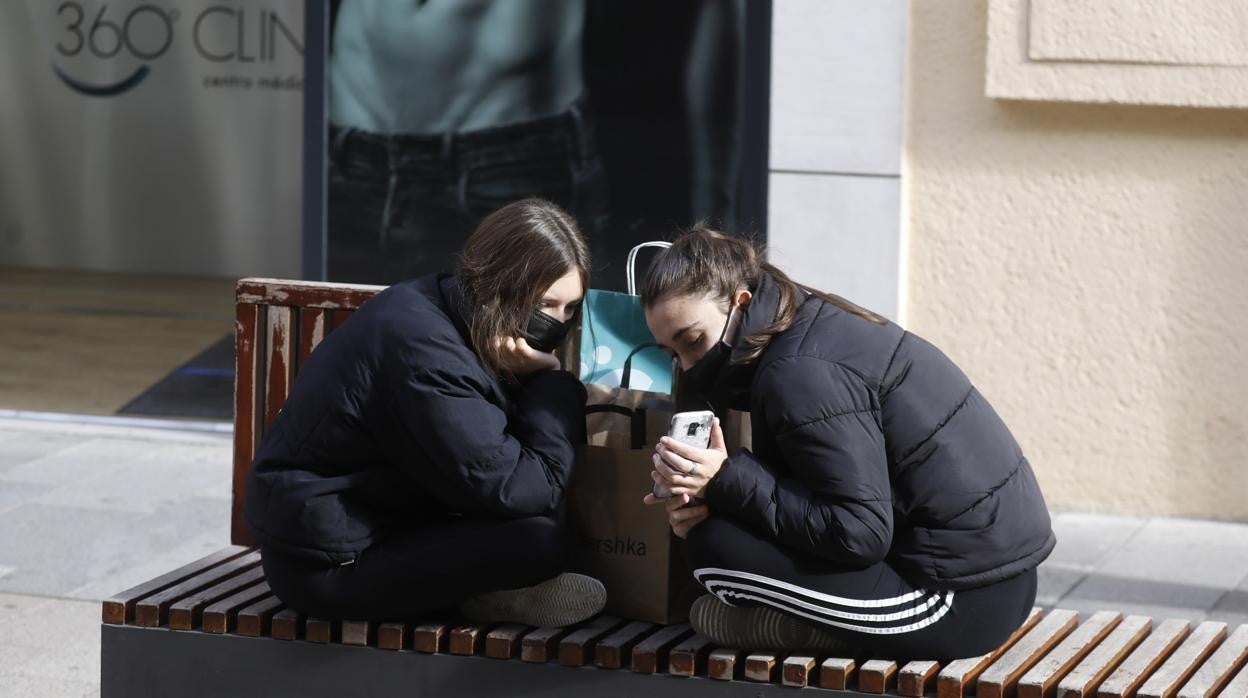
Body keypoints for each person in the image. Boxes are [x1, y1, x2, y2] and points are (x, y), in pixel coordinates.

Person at [640, 227, 1055, 661]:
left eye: (692, 341)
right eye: (672, 354)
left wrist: (726, 479)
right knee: (721, 530)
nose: (688, 366)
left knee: (714, 550)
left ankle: (811, 633)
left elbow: (859, 534)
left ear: (741, 302)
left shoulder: (798, 372)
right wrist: (720, 492)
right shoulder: (803, 320)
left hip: (960, 600)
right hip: (991, 574)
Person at [244, 199, 606, 626]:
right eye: (545, 304)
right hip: (330, 565)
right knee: (540, 542)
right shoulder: (428, 355)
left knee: (541, 535)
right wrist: (552, 382)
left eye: (569, 308)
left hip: (381, 525)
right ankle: (479, 599)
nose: (557, 322)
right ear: (499, 286)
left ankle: (477, 594)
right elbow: (525, 490)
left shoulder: (453, 311)